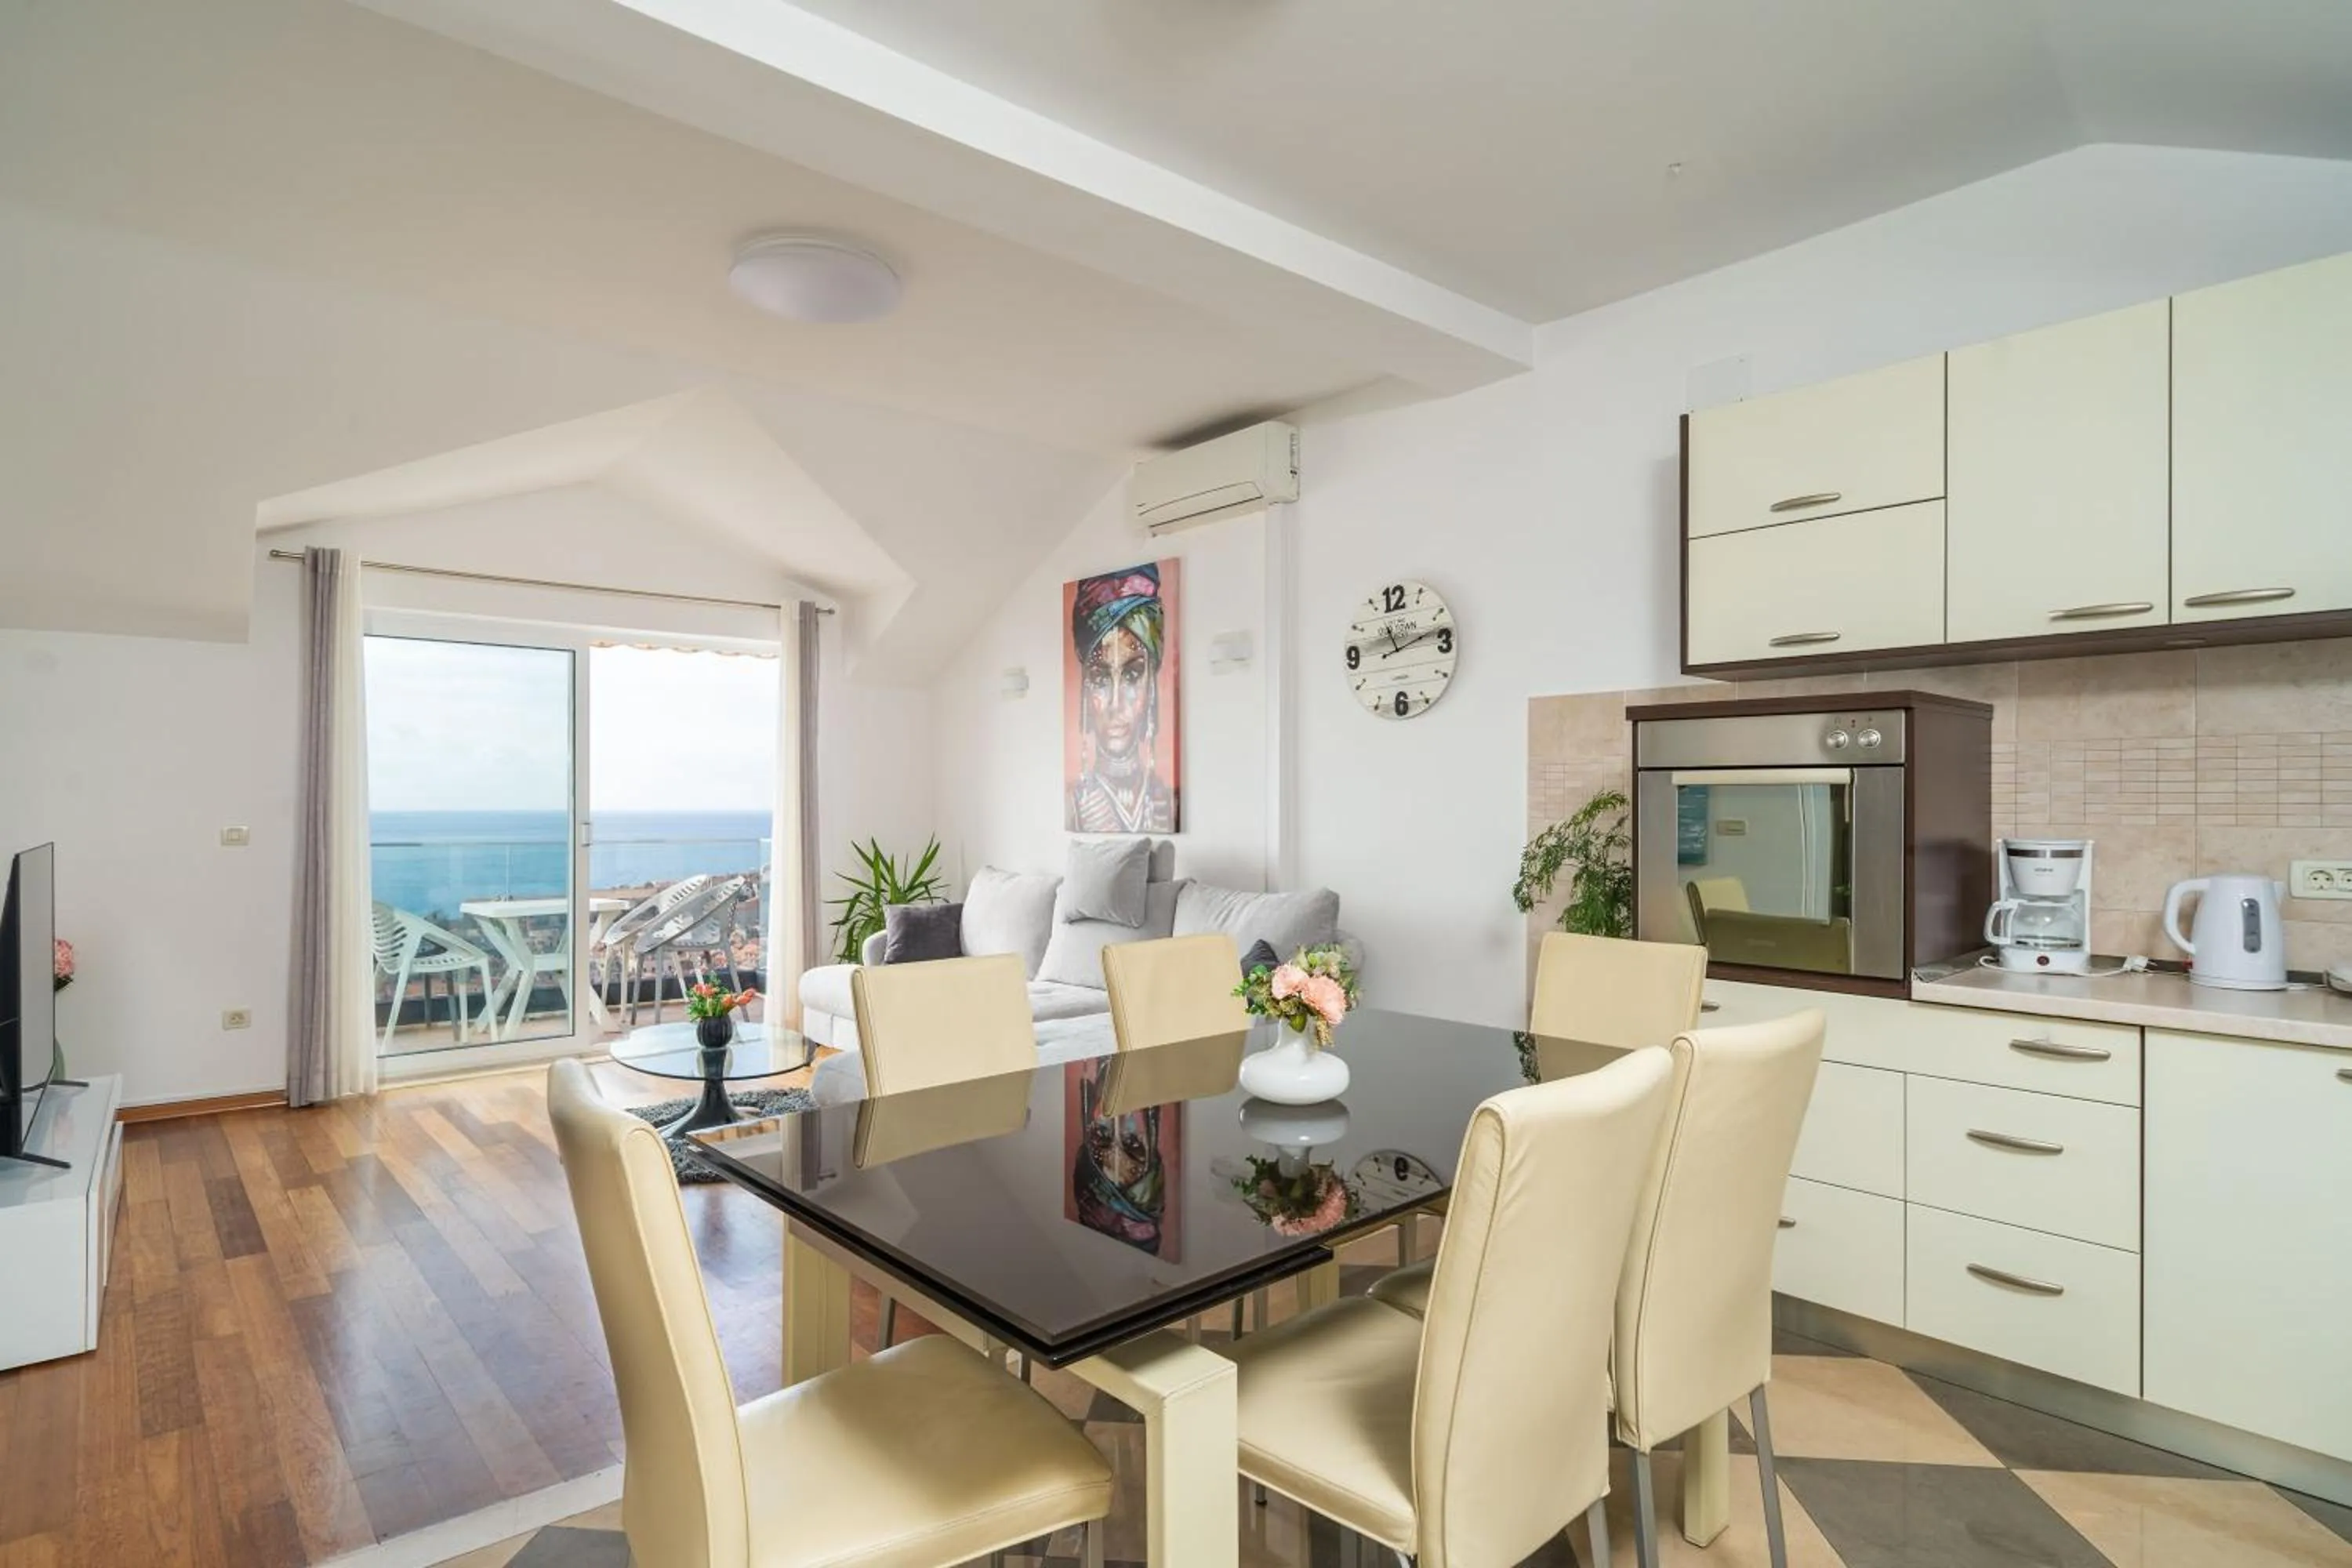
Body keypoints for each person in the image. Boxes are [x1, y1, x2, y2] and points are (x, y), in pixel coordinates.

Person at [1067, 563, 1177, 833]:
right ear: (1085, 689)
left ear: (1151, 685)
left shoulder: (1171, 803)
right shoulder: (1073, 806)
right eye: (1101, 678)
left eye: (1132, 675)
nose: (1116, 704)